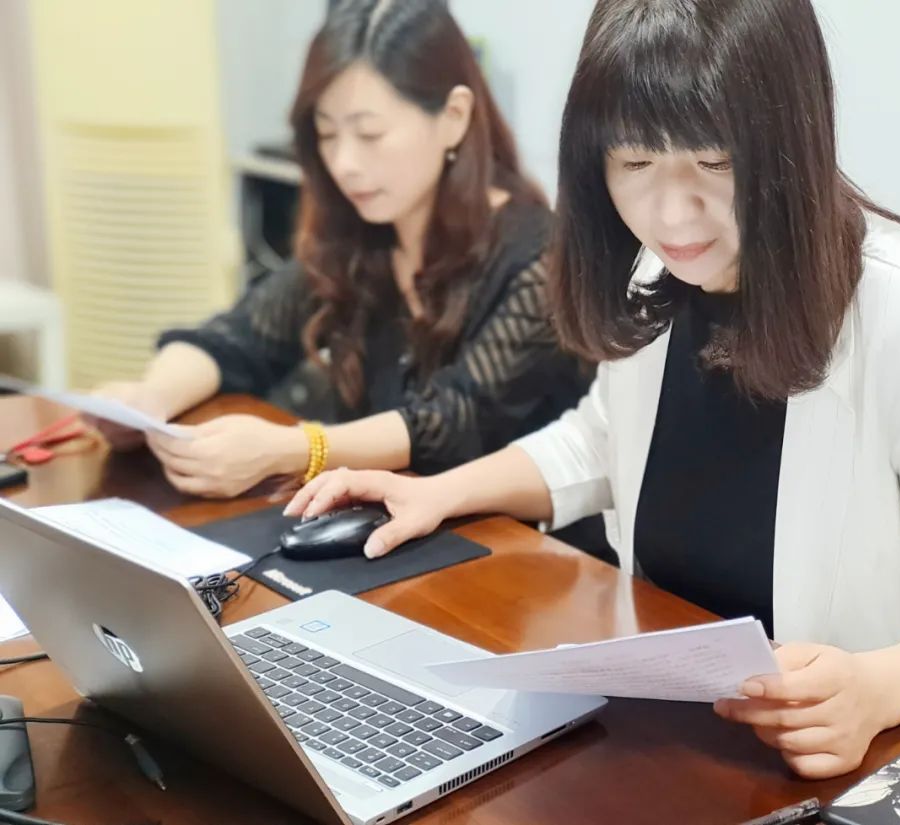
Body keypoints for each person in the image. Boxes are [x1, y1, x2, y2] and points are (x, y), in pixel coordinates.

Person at [284, 0, 900, 780]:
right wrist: (438, 491)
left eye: (714, 161)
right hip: (702, 743)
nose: (670, 212)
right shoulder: (660, 269)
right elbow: (599, 437)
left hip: (896, 762)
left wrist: (877, 688)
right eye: (634, 163)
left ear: (790, 140)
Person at [91, 0, 587, 498]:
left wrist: (295, 448)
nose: (344, 162)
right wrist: (149, 400)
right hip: (379, 522)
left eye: (370, 134)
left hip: (512, 537)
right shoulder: (361, 235)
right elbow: (238, 337)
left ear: (453, 117)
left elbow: (453, 420)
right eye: (327, 134)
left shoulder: (539, 257)